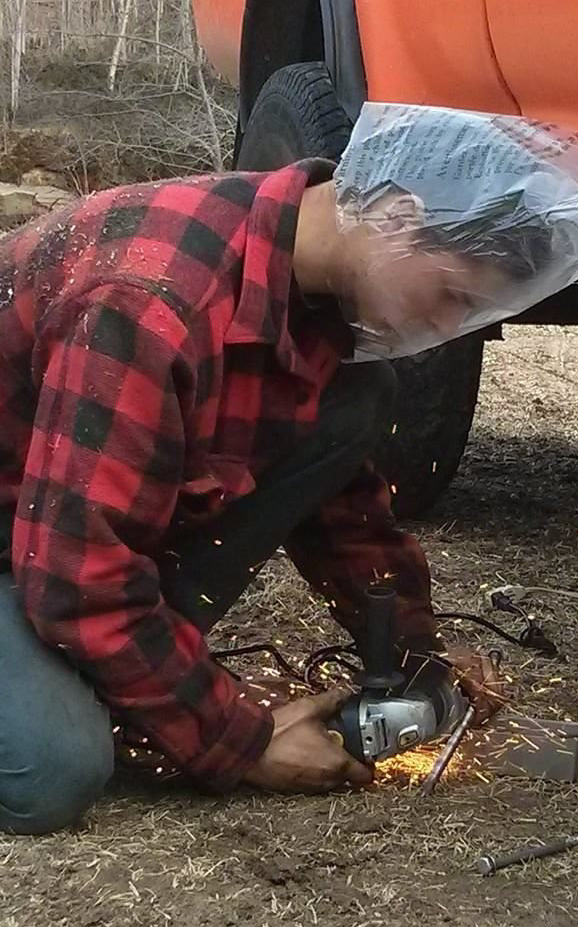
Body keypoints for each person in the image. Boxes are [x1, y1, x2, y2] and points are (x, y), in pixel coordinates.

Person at [0, 157, 503, 836]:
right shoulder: (147, 301)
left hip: (53, 517)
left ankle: (101, 672)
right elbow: (75, 577)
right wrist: (244, 742)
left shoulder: (304, 279)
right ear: (398, 220)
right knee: (50, 770)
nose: (449, 324)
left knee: (355, 399)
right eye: (451, 295)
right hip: (38, 543)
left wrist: (417, 656)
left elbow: (343, 510)